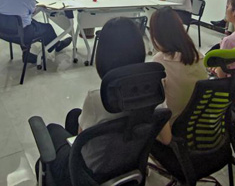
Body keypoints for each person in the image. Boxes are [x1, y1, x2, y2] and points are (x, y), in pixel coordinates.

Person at [39, 17, 167, 185]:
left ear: (103, 56)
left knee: (52, 130)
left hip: (88, 174)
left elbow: (81, 141)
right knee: (73, 115)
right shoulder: (156, 93)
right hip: (131, 165)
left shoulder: (97, 99)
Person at [150, 7, 207, 123]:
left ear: (157, 35)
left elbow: (153, 99)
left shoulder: (160, 61)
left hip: (173, 125)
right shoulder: (198, 56)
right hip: (199, 123)